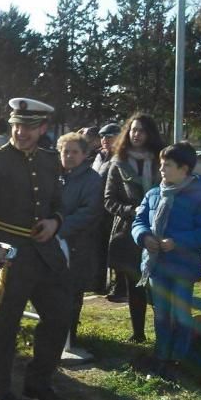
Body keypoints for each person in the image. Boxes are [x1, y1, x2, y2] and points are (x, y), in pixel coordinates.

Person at [0, 97, 70, 400]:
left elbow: (58, 202)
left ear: (42, 128)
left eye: (28, 126)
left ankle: (38, 382)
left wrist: (55, 221)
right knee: (3, 324)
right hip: (9, 254)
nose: (21, 132)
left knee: (58, 317)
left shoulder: (49, 160)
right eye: (16, 125)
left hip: (45, 254)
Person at [131, 142, 201, 381]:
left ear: (184, 169)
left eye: (167, 165)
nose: (162, 170)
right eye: (161, 165)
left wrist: (177, 242)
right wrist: (144, 236)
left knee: (180, 315)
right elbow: (139, 221)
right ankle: (161, 355)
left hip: (183, 268)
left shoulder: (200, 200)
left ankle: (180, 357)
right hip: (157, 266)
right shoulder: (153, 194)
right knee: (161, 313)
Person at [104, 113, 164, 342]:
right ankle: (138, 333)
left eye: (141, 130)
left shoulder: (162, 161)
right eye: (133, 130)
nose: (136, 134)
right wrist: (132, 210)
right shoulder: (117, 162)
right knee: (135, 285)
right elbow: (109, 200)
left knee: (159, 287)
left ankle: (164, 336)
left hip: (160, 229)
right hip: (129, 231)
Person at [56, 132, 104, 358]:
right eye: (65, 151)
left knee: (73, 293)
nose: (69, 156)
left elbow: (89, 212)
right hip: (50, 245)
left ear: (85, 154)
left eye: (75, 152)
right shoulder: (54, 175)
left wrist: (58, 229)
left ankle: (69, 338)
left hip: (77, 246)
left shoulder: (93, 180)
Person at [91, 123, 121, 295]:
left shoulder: (121, 158)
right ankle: (100, 281)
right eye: (103, 137)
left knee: (113, 249)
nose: (105, 140)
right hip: (98, 210)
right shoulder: (100, 157)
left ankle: (117, 285)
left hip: (112, 210)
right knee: (99, 248)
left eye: (109, 137)